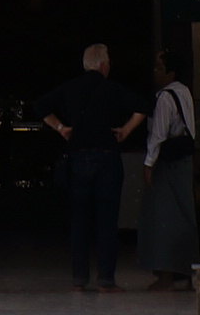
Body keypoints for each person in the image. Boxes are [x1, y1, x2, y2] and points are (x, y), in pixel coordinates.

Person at [35, 43, 143, 291]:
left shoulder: (70, 87)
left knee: (79, 220)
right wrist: (126, 130)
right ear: (104, 65)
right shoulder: (112, 88)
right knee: (107, 220)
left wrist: (60, 128)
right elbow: (142, 106)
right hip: (107, 158)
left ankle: (79, 278)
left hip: (78, 157)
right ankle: (106, 278)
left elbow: (40, 106)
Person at [135, 53, 200, 283]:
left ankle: (166, 273)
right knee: (183, 213)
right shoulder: (184, 92)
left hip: (168, 163)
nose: (155, 72)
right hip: (183, 161)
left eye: (160, 68)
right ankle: (184, 269)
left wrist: (148, 164)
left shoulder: (164, 97)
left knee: (163, 216)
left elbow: (158, 135)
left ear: (170, 73)